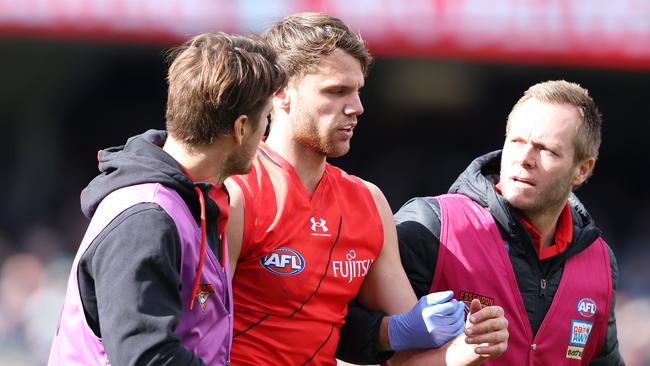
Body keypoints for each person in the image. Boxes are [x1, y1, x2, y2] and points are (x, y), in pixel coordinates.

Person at [224, 12, 509, 366]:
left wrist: (468, 348)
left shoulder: (368, 202)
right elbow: (193, 329)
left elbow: (411, 357)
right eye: (336, 91)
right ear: (281, 92)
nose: (357, 107)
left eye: (357, 90)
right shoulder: (235, 190)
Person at [338, 80, 624, 365]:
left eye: (546, 150)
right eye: (517, 141)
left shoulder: (599, 261)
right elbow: (337, 325)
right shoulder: (432, 226)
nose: (524, 158)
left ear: (582, 170)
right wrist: (398, 332)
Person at [48, 32, 287, 365]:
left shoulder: (191, 203)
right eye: (266, 121)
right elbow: (146, 358)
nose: (266, 136)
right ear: (241, 128)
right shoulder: (147, 217)